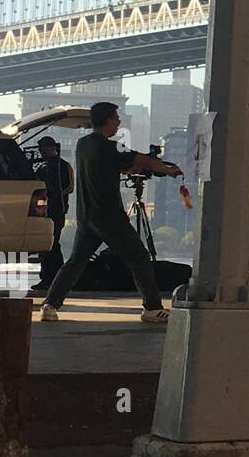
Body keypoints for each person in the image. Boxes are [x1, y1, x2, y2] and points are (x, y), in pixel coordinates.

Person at [39, 102, 182, 324]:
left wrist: (133, 167)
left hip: (87, 216)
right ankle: (152, 308)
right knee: (140, 258)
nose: (118, 122)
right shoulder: (108, 146)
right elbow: (139, 159)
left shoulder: (83, 145)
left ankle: (50, 304)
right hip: (109, 216)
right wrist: (168, 169)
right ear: (107, 120)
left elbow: (119, 165)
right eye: (116, 118)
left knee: (76, 261)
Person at [31, 136, 73, 291]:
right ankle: (50, 279)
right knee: (47, 246)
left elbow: (69, 186)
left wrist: (53, 195)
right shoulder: (42, 167)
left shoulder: (63, 166)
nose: (42, 152)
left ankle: (56, 279)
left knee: (52, 245)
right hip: (43, 211)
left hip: (57, 210)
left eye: (44, 148)